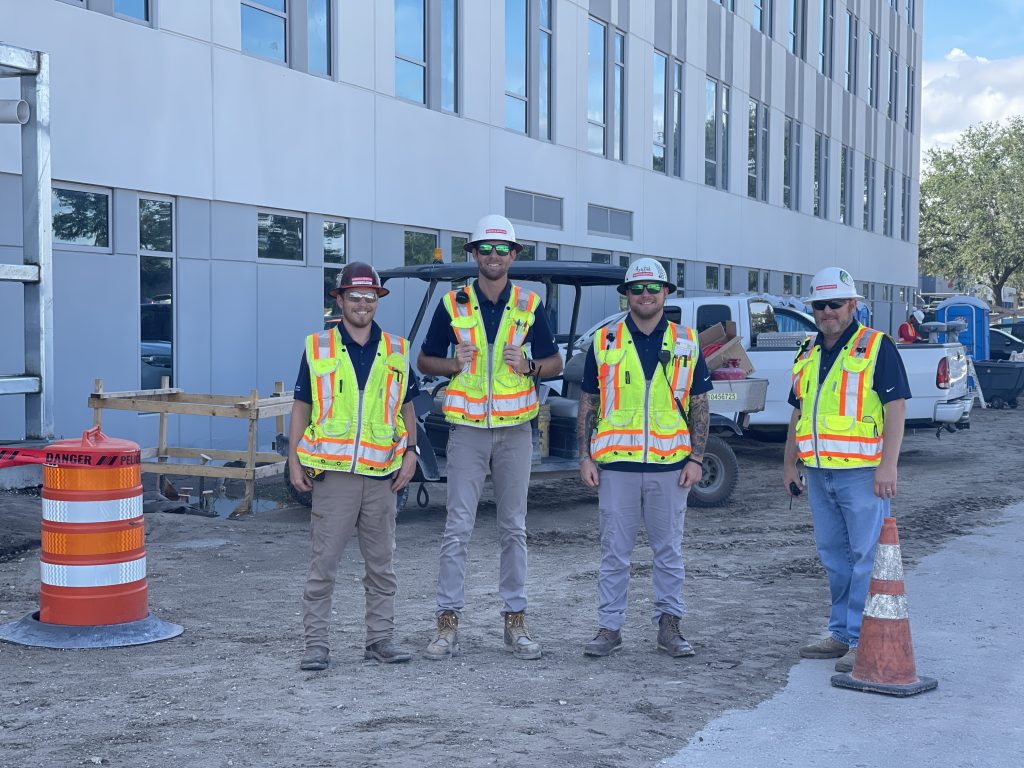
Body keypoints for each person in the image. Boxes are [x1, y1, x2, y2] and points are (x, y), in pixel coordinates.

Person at [416, 214, 562, 660]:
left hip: (516, 431)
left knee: (513, 528)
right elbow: (424, 361)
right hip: (468, 433)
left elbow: (554, 363)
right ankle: (447, 626)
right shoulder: (453, 304)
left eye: (503, 250)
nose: (494, 256)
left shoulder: (530, 304)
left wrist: (530, 368)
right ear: (475, 254)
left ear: (513, 256)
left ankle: (515, 624)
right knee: (456, 528)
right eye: (486, 249)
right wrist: (453, 365)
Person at [575, 258, 712, 658]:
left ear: (666, 292)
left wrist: (697, 458)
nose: (646, 295)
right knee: (614, 552)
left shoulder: (687, 341)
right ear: (627, 294)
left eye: (653, 288)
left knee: (668, 550)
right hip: (616, 466)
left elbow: (699, 404)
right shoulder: (605, 342)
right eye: (637, 289)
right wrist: (585, 456)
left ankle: (669, 626)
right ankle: (609, 627)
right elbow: (589, 402)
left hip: (671, 466)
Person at [288, 262, 419, 671]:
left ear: (377, 301)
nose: (363, 304)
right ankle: (316, 645)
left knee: (382, 565)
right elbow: (301, 406)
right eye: (355, 297)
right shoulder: (318, 348)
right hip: (334, 478)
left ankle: (379, 640)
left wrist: (411, 451)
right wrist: (293, 458)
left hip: (381, 475)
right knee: (323, 565)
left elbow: (407, 404)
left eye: (370, 298)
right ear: (340, 299)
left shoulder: (397, 350)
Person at [783, 267, 911, 674]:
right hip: (819, 473)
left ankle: (862, 638)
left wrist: (888, 464)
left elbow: (896, 408)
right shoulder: (807, 350)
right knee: (834, 557)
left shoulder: (877, 347)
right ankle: (840, 632)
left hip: (862, 473)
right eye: (819, 305)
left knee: (866, 557)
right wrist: (789, 462)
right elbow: (798, 411)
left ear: (852, 305)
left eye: (835, 304)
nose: (827, 312)